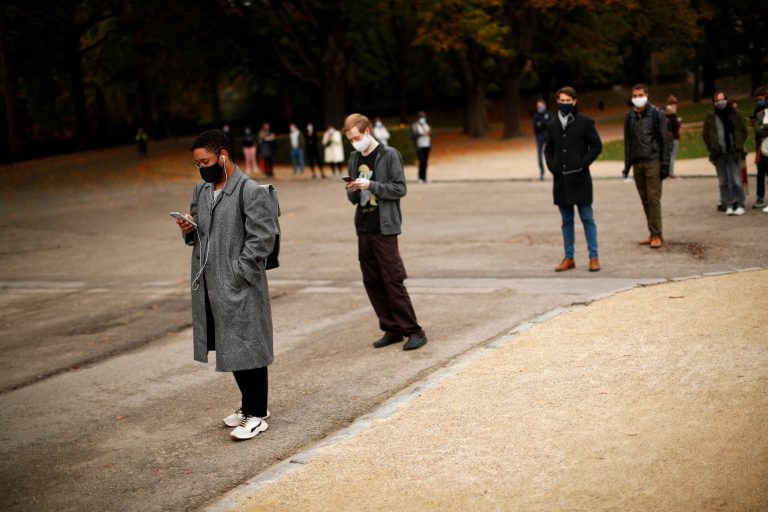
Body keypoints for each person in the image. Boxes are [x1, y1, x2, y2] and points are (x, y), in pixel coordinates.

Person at [175, 129, 279, 441]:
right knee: (229, 345)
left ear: (223, 156)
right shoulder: (202, 191)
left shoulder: (250, 190)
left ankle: (258, 414)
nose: (201, 169)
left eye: (204, 162)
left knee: (249, 346)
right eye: (196, 164)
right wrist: (188, 229)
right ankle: (249, 406)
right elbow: (199, 232)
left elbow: (263, 238)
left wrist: (238, 272)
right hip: (211, 282)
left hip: (239, 283)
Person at [343, 113, 428, 351]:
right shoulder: (354, 157)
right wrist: (352, 188)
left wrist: (370, 185)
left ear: (368, 131)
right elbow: (352, 198)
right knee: (372, 280)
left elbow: (399, 188)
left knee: (392, 278)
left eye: (357, 137)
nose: (354, 142)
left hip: (385, 227)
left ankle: (414, 330)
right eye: (350, 139)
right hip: (363, 225)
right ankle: (392, 328)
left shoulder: (389, 155)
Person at [544, 86, 603, 272]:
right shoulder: (552, 124)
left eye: (568, 101)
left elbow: (596, 146)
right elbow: (548, 148)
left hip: (580, 179)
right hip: (561, 181)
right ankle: (569, 258)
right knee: (566, 221)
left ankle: (594, 257)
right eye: (562, 101)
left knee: (587, 218)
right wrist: (552, 167)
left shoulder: (585, 122)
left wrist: (583, 163)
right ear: (557, 101)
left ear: (575, 102)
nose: (565, 104)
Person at [622, 83, 671, 249]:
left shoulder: (657, 114)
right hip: (637, 163)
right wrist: (627, 166)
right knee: (645, 200)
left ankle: (657, 234)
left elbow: (665, 140)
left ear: (647, 95)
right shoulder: (629, 117)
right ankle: (652, 232)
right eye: (634, 96)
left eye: (640, 95)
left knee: (653, 199)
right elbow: (628, 143)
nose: (637, 98)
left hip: (653, 161)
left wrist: (665, 165)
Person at [703, 90, 748, 216]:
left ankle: (740, 203)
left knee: (736, 180)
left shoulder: (735, 114)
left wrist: (738, 146)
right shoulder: (711, 116)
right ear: (714, 102)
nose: (720, 102)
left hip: (733, 152)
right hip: (719, 153)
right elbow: (706, 134)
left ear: (727, 99)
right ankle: (727, 204)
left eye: (722, 99)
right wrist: (712, 148)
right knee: (723, 181)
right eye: (717, 100)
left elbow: (743, 131)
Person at [750, 86, 768, 210]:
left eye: (760, 99)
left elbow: (762, 130)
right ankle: (760, 196)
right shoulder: (758, 110)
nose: (759, 101)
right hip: (760, 145)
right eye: (757, 99)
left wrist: (757, 126)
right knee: (760, 172)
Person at [532, 99, 553, 181]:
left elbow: (551, 124)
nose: (540, 107)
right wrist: (544, 123)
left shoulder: (548, 113)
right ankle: (542, 171)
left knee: (550, 154)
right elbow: (535, 126)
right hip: (540, 138)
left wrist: (542, 123)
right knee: (540, 155)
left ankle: (552, 169)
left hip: (548, 137)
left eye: (541, 105)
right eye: (538, 106)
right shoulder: (536, 115)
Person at [412, 111, 432, 183]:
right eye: (421, 117)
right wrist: (422, 134)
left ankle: (424, 178)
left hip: (427, 145)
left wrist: (428, 133)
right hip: (420, 145)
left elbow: (430, 132)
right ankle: (420, 178)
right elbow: (414, 135)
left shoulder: (426, 124)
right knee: (422, 161)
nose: (422, 118)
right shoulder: (415, 125)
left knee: (425, 162)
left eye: (423, 116)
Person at [665, 95, 681, 178]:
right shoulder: (672, 114)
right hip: (674, 137)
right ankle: (670, 172)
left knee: (668, 155)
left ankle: (667, 171)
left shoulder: (665, 114)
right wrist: (679, 122)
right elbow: (676, 126)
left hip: (667, 137)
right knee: (672, 155)